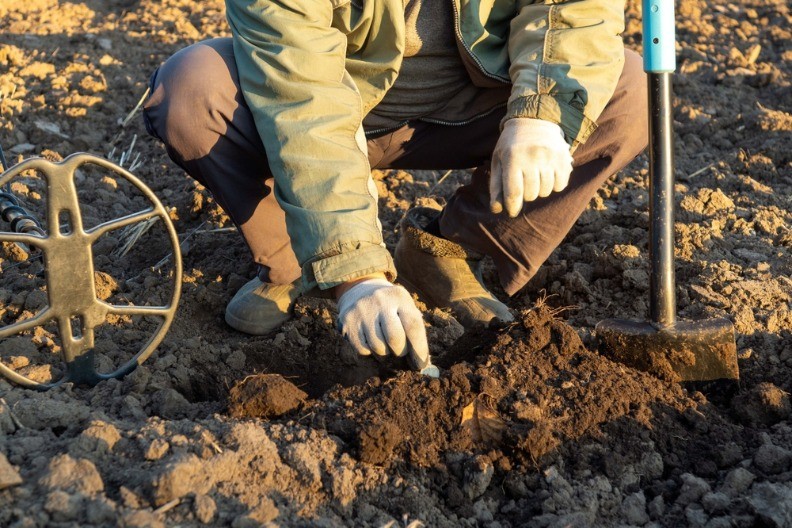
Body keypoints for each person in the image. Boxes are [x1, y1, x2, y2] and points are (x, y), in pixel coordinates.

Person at [143, 0, 648, 369]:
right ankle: (298, 259)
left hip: (481, 102)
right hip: (337, 102)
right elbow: (303, 107)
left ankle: (451, 250)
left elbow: (576, 11)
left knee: (626, 87)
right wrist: (355, 276)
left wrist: (541, 114)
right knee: (192, 89)